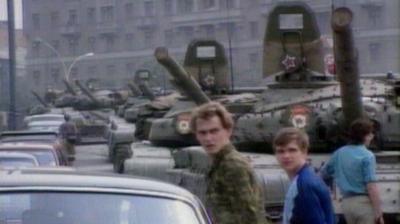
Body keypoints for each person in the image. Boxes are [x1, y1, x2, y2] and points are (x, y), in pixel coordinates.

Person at [190, 102, 266, 224]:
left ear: (228, 131)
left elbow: (250, 215)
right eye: (202, 133)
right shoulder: (220, 163)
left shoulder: (232, 165)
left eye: (214, 131)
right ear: (196, 135)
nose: (208, 138)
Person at [321, 118, 384, 224]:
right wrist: (378, 212)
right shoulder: (367, 155)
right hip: (364, 204)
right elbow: (371, 187)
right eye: (370, 134)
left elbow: (324, 173)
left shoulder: (339, 153)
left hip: (346, 204)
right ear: (364, 136)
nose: (372, 137)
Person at [273, 127, 335, 224]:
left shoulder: (303, 185)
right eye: (281, 151)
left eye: (292, 150)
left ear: (304, 152)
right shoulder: (307, 178)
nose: (286, 156)